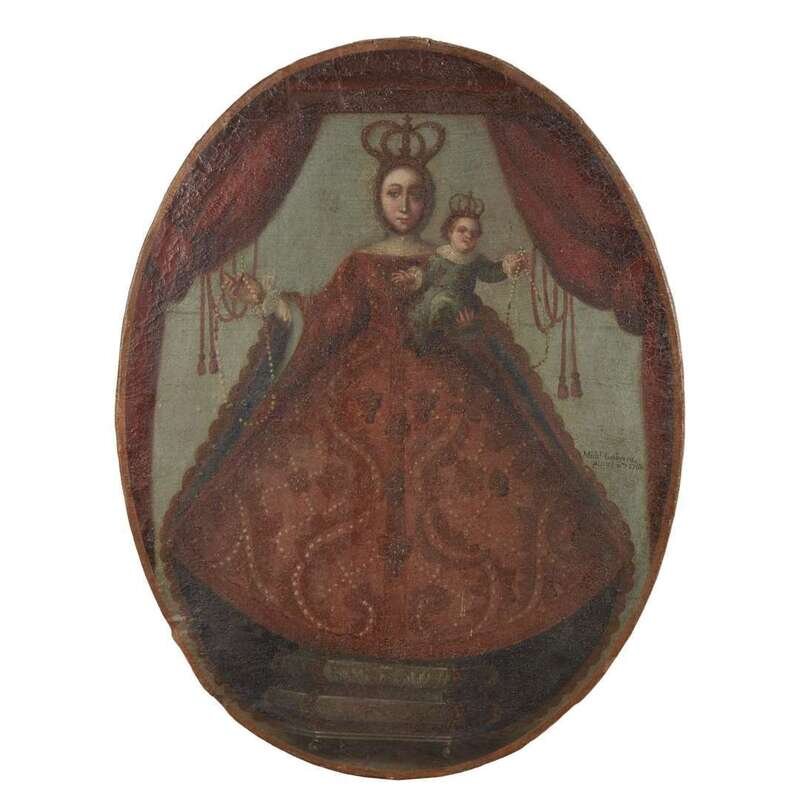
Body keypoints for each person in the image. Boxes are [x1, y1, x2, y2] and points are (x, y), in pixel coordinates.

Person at [161, 116, 632, 663]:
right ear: (378, 199)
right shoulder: (361, 264)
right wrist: (265, 300)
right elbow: (324, 317)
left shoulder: (449, 258)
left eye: (414, 194)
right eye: (394, 193)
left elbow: (469, 316)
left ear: (429, 202)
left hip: (445, 386)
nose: (404, 204)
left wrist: (464, 323)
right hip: (357, 390)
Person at [393, 191, 528, 350]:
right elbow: (427, 276)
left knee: (468, 333)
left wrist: (508, 266)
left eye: (474, 233)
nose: (468, 235)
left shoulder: (476, 260)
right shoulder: (440, 256)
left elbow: (490, 273)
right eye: (462, 230)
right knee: (428, 316)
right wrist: (411, 278)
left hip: (462, 306)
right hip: (433, 303)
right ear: (450, 232)